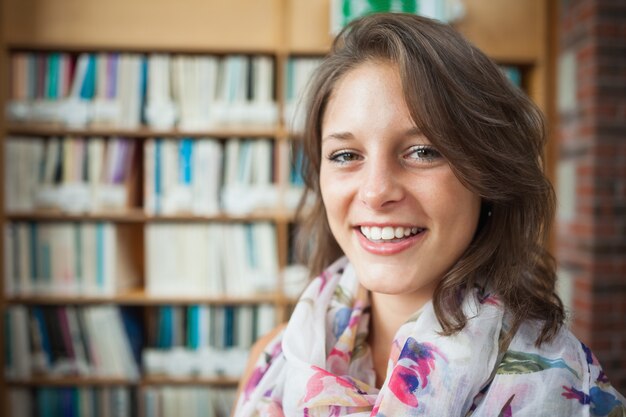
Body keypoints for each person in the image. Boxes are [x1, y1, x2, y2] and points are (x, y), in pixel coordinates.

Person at [232, 13, 626, 417]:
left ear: (487, 174)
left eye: (423, 151)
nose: (375, 191)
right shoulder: (273, 360)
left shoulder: (567, 393)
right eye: (346, 155)